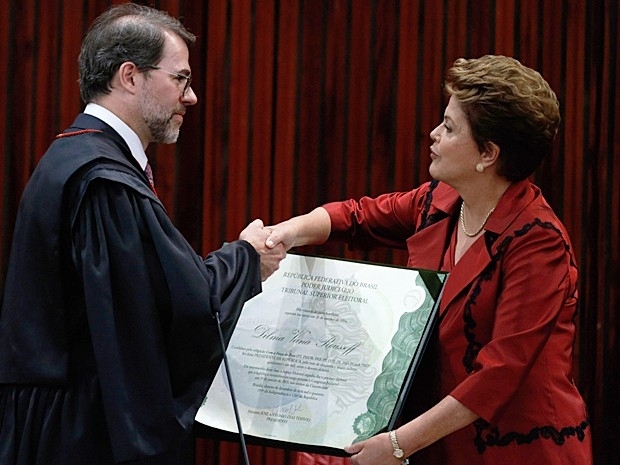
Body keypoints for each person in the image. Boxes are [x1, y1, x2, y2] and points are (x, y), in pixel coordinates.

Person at [265, 55, 593, 464]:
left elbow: (499, 374)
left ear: (488, 154)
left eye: (450, 127)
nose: (434, 134)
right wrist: (283, 234)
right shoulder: (439, 202)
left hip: (522, 449)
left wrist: (397, 445)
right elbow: (356, 216)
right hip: (444, 443)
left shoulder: (539, 244)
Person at [0, 4, 284, 465]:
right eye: (181, 79)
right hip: (79, 433)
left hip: (57, 421)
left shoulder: (78, 158)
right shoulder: (104, 182)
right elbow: (174, 309)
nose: (190, 97)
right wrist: (247, 258)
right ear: (130, 76)